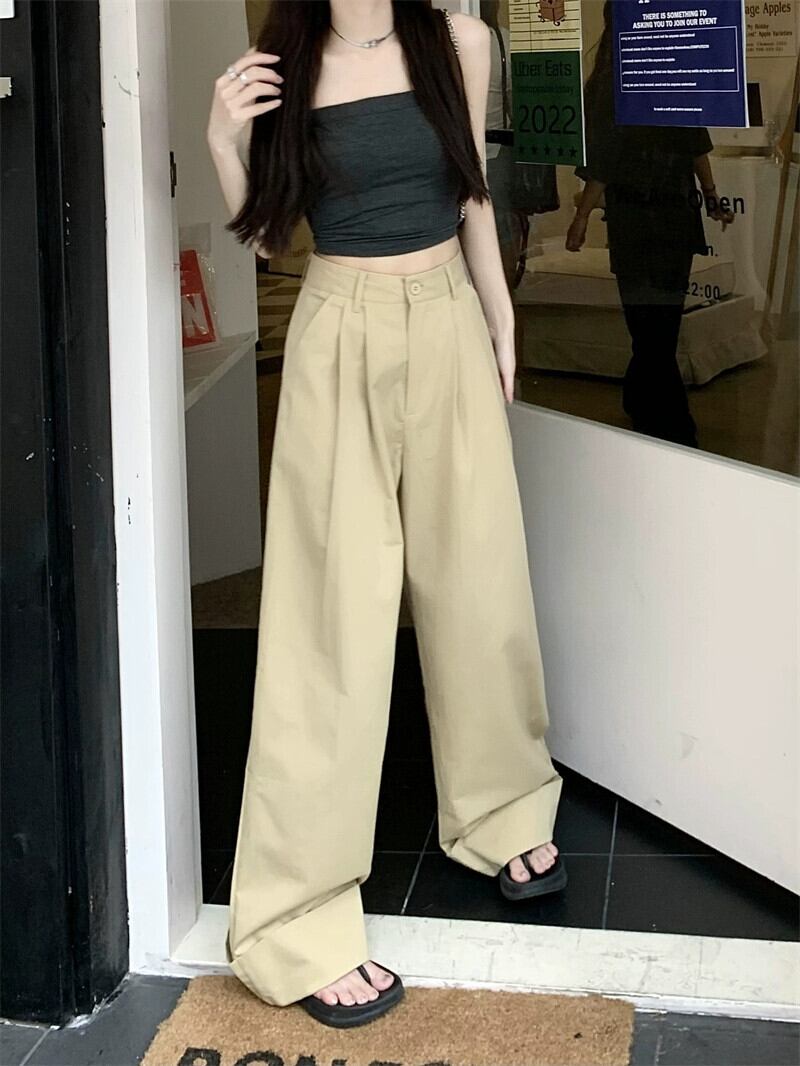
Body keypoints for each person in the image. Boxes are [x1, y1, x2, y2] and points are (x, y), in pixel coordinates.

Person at [206, 0, 566, 1030]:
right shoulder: (282, 61)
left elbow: (472, 193)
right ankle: (294, 917)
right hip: (338, 328)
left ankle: (499, 810)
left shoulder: (457, 41)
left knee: (479, 576)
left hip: (447, 311)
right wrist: (224, 141)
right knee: (328, 620)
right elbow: (270, 237)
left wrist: (500, 320)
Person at [566, 0, 734, 448]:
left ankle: (659, 418)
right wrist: (710, 198)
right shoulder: (651, 77)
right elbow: (691, 147)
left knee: (652, 329)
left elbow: (609, 164)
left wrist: (581, 218)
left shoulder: (621, 81)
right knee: (657, 329)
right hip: (661, 216)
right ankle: (661, 418)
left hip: (650, 217)